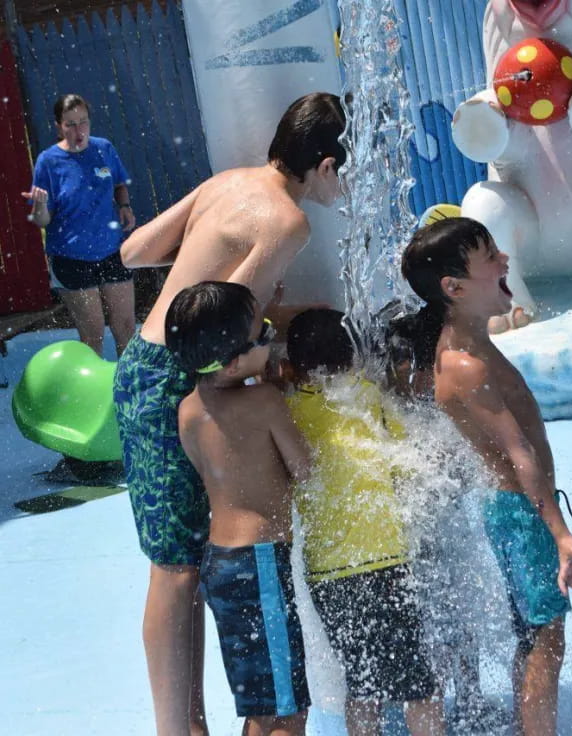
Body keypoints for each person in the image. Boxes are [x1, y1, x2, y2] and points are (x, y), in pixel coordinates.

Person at [112, 92, 345, 735]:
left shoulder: (227, 183)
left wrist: (200, 261)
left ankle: (185, 724)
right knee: (177, 568)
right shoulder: (288, 221)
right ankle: (177, 729)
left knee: (174, 561)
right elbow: (226, 337)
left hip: (139, 366)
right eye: (341, 173)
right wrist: (284, 344)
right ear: (325, 165)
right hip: (175, 376)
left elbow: (133, 251)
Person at [400, 217, 572, 736]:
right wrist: (561, 535)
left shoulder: (467, 347)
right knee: (546, 636)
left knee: (533, 632)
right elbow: (522, 455)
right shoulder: (467, 365)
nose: (504, 260)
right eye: (490, 257)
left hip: (512, 509)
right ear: (454, 288)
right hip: (522, 511)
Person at [285, 308, 445, 736]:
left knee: (362, 683)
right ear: (353, 355)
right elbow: (408, 459)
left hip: (327, 573)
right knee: (419, 684)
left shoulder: (287, 409)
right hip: (386, 562)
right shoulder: (367, 396)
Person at [165, 282, 312, 734]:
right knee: (289, 708)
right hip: (261, 565)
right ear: (232, 362)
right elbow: (304, 470)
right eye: (264, 333)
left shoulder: (188, 409)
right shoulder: (264, 402)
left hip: (221, 564)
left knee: (259, 704)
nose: (271, 336)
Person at [386, 314, 511, 734]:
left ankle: (471, 698)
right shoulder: (387, 411)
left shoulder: (441, 407)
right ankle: (433, 710)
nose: (424, 381)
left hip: (448, 537)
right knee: (429, 629)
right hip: (410, 547)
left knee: (462, 620)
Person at [22, 93, 136, 357]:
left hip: (111, 250)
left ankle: (129, 391)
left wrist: (125, 206)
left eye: (83, 122)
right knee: (92, 335)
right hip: (72, 259)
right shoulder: (49, 162)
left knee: (126, 327)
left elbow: (118, 183)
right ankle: (93, 396)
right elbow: (42, 220)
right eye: (70, 124)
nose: (78, 130)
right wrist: (39, 205)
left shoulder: (103, 148)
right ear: (58, 126)